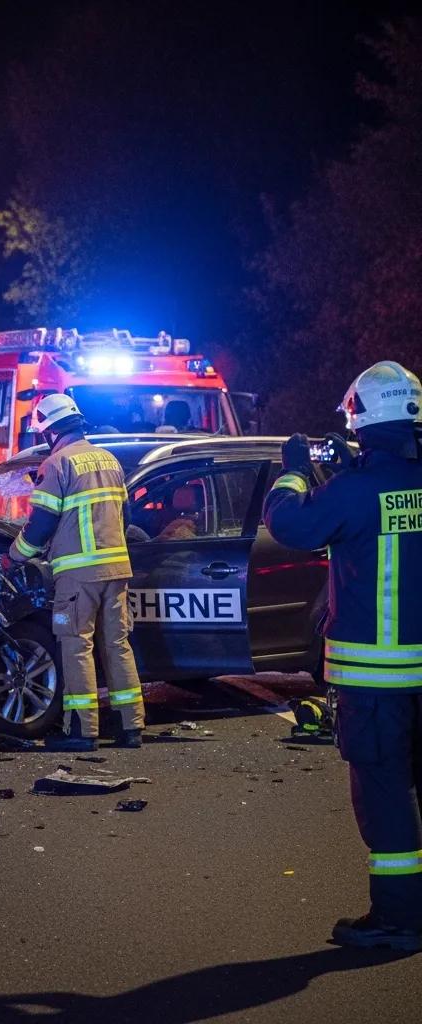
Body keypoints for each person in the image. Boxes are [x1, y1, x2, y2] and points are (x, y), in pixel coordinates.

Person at [264, 360, 422, 952]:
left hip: (378, 679)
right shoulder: (374, 484)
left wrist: (296, 474)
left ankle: (399, 920)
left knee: (384, 793)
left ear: (359, 418)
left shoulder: (351, 493)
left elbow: (288, 524)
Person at [3, 393, 144, 752]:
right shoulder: (109, 459)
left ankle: (82, 730)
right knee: (117, 644)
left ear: (50, 431)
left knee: (77, 645)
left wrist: (13, 557)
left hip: (79, 575)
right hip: (117, 568)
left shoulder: (57, 464)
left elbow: (40, 525)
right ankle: (131, 728)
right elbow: (125, 518)